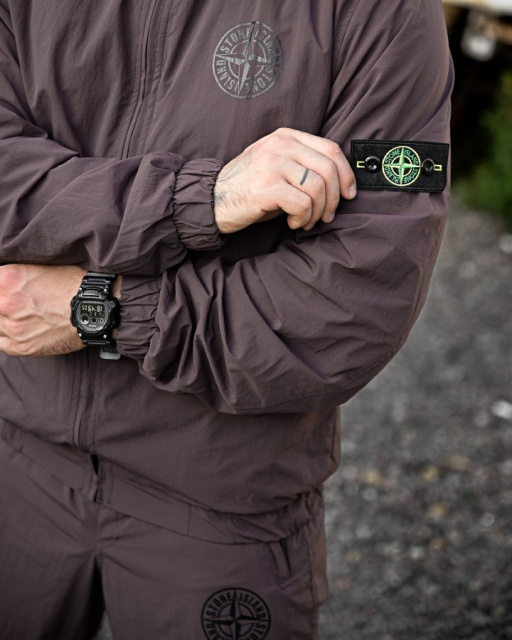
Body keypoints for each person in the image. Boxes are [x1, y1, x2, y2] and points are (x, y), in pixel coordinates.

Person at [0, 1, 453, 638]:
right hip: (17, 452)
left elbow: (349, 308)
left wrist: (100, 308)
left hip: (221, 503)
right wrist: (201, 198)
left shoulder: (380, 11)